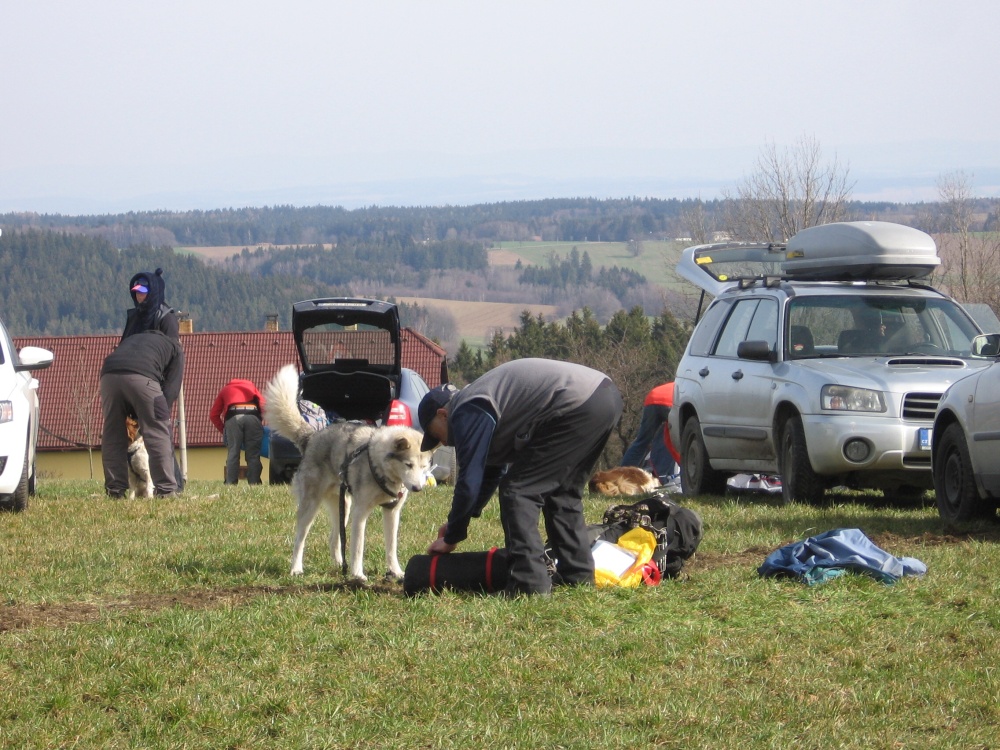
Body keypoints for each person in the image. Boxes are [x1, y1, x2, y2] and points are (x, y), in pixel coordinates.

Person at [419, 358, 623, 597]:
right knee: (562, 494)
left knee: (519, 492)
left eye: (437, 435)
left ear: (443, 415)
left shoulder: (466, 408)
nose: (445, 443)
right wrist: (463, 519)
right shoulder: (482, 401)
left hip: (576, 403)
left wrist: (453, 535)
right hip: (603, 396)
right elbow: (492, 472)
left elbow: (469, 482)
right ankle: (576, 577)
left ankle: (529, 584)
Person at [100, 329, 185, 498]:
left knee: (113, 433)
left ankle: (114, 490)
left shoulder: (134, 337)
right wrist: (159, 415)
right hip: (143, 376)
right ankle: (166, 490)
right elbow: (172, 388)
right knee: (157, 432)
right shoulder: (175, 347)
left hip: (109, 375)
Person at [210, 378, 266, 485]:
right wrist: (259, 421)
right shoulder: (252, 388)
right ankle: (254, 483)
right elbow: (264, 406)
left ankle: (231, 483)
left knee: (233, 452)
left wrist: (224, 430)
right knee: (253, 454)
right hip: (253, 416)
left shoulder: (225, 390)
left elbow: (213, 415)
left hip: (233, 416)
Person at [619, 382, 679, 482]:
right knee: (674, 441)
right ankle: (664, 478)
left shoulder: (680, 381)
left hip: (652, 399)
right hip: (670, 403)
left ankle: (620, 476)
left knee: (641, 442)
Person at [121, 268, 179, 342]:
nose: (138, 295)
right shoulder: (134, 317)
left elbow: (174, 349)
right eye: (137, 292)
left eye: (142, 292)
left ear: (152, 294)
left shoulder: (166, 318)